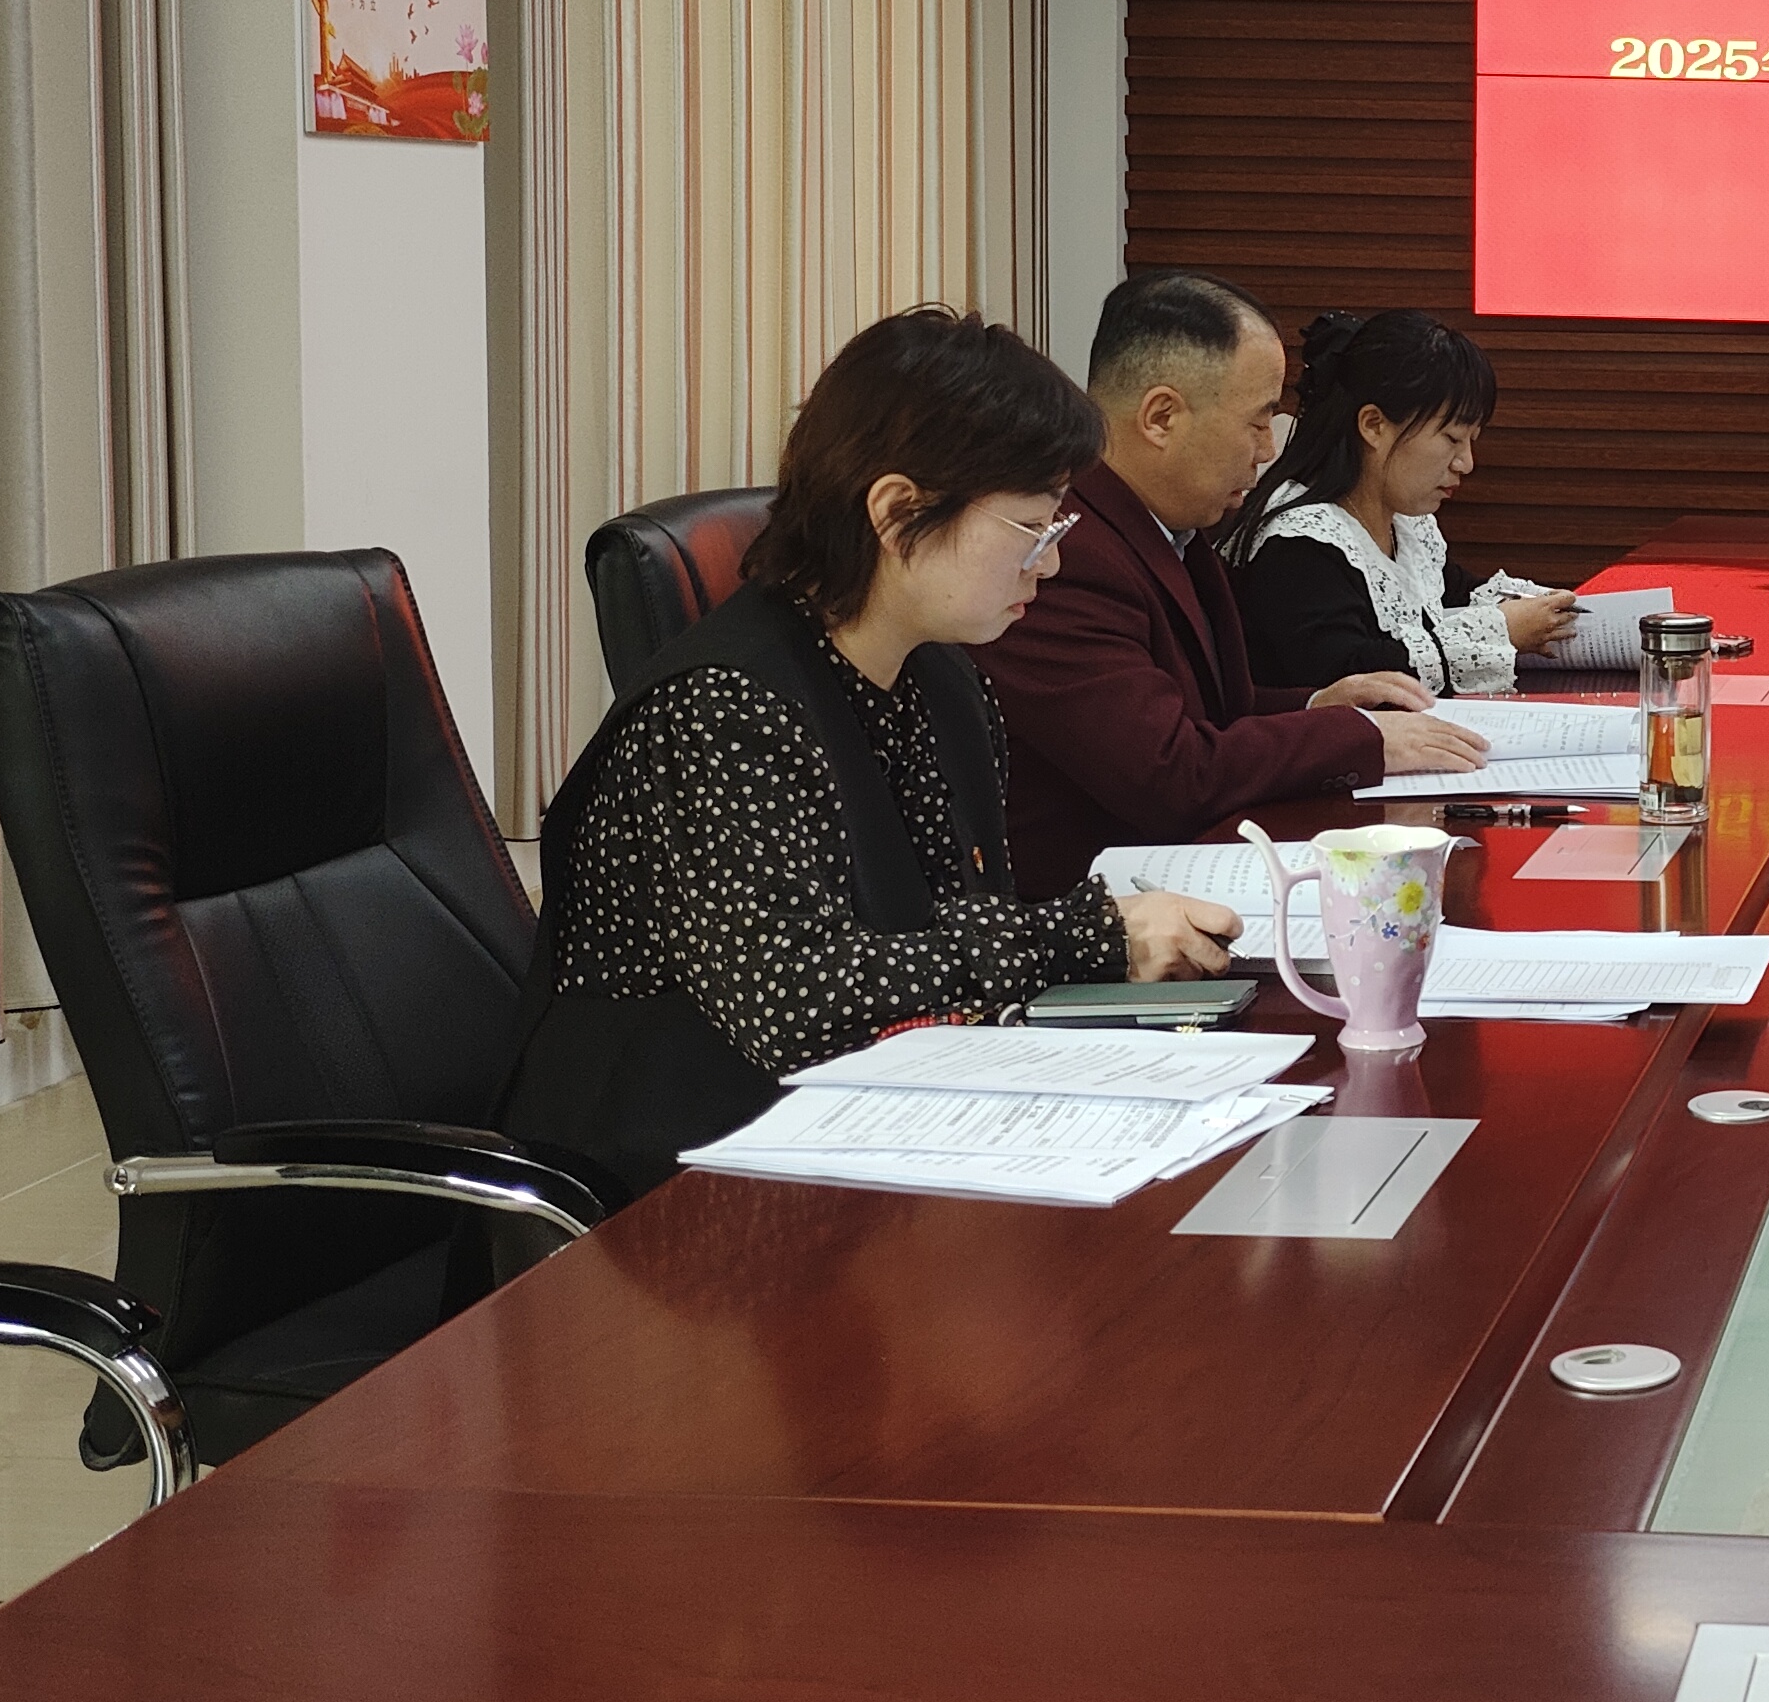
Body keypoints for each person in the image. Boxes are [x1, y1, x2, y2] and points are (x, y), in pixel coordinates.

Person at [504, 307, 1234, 1201]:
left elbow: (954, 926)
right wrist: (1089, 934)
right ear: (896, 512)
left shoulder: (943, 679)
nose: (1047, 566)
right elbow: (799, 1001)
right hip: (662, 1186)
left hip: (852, 1128)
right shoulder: (722, 709)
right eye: (1031, 529)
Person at [992, 272, 1493, 891]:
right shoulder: (1066, 554)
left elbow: (1210, 712)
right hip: (1106, 907)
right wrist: (1357, 738)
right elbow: (1168, 769)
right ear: (1161, 417)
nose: (1266, 450)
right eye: (1258, 422)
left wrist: (1318, 705)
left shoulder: (1168, 527)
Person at [1232, 308, 1582, 695]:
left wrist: (1542, 608)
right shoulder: (1300, 543)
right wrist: (1500, 630)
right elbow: (1345, 677)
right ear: (1374, 426)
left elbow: (1458, 593)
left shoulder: (1404, 523)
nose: (1465, 463)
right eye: (1452, 439)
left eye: (1471, 441)